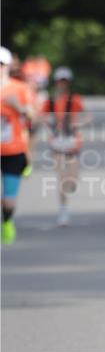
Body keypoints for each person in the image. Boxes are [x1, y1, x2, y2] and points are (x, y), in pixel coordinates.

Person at [41, 66, 88, 227]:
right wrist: (49, 123)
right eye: (60, 81)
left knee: (72, 181)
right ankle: (63, 210)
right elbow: (41, 117)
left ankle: (68, 193)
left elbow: (87, 116)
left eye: (65, 82)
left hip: (73, 142)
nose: (62, 84)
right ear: (55, 83)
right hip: (57, 143)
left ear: (69, 83)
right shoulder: (50, 101)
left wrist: (77, 123)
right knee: (62, 178)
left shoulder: (75, 100)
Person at [1, 46, 34, 244]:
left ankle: (6, 221)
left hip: (13, 149)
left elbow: (32, 115)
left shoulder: (19, 88)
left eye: (1, 65)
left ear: (7, 66)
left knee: (8, 199)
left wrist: (17, 106)